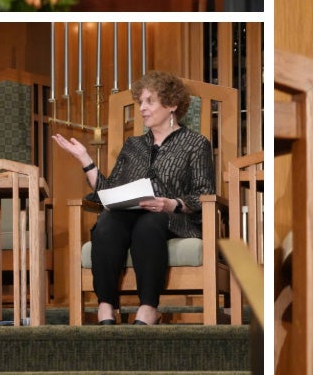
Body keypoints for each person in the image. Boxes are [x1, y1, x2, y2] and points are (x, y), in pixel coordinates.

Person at [53, 69, 214, 326]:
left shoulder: (195, 143)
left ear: (172, 104)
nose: (142, 108)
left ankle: (148, 308)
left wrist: (171, 203)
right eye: (140, 102)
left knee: (148, 225)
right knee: (106, 223)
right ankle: (106, 306)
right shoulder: (133, 145)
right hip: (129, 214)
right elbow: (108, 190)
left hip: (172, 218)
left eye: (150, 101)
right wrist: (85, 159)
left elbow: (203, 193)